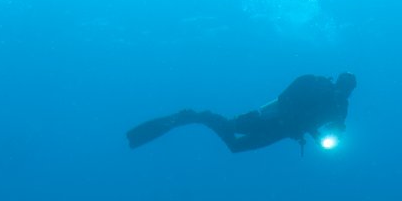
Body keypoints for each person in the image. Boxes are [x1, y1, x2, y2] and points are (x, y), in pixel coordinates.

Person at [126, 73, 357, 154]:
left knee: (235, 147)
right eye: (344, 84)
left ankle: (201, 118)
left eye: (349, 88)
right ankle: (197, 116)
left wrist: (325, 136)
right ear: (337, 80)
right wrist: (292, 117)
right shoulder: (313, 83)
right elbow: (285, 96)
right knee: (230, 128)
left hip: (282, 132)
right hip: (270, 117)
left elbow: (332, 129)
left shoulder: (340, 109)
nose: (345, 89)